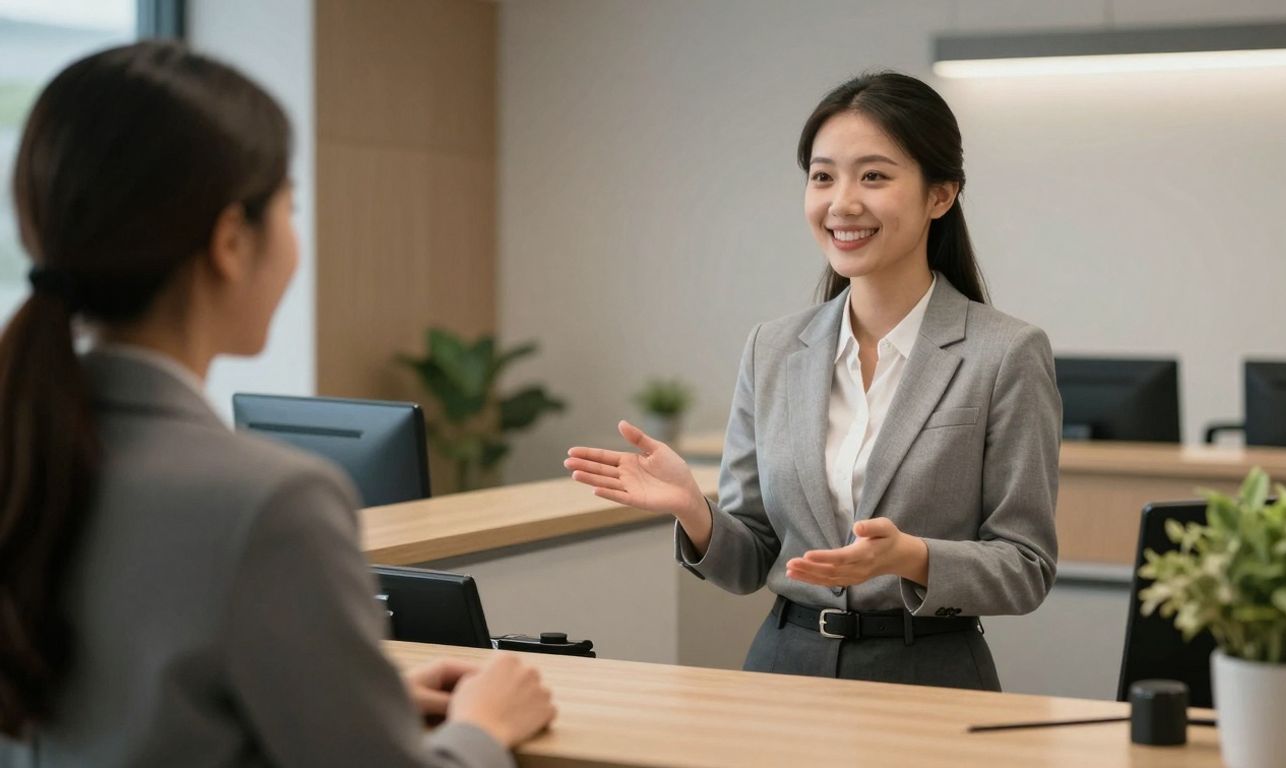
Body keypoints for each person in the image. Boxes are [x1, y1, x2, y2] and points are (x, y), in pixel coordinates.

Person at [0, 42, 553, 767]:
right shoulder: (270, 503)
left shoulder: (30, 450)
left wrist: (349, 698)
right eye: (290, 206)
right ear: (231, 240)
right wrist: (483, 726)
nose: (295, 240)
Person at [565, 71, 1062, 689]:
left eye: (873, 176)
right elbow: (752, 562)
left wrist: (911, 556)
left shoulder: (1006, 354)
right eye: (823, 176)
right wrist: (695, 512)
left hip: (929, 680)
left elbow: (1026, 566)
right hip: (783, 673)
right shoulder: (771, 348)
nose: (841, 202)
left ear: (941, 195)